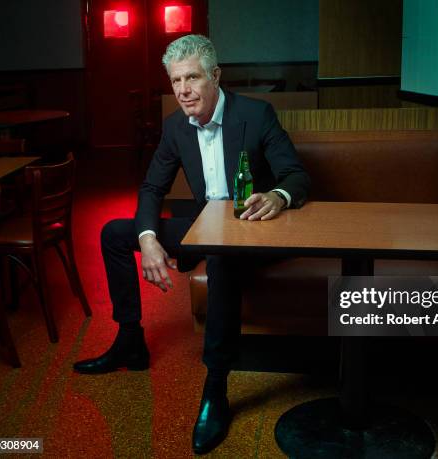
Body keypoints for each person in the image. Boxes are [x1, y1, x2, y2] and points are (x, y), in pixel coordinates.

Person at [73, 34, 310, 454]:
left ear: (215, 76)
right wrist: (147, 238)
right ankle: (130, 340)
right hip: (205, 227)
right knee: (115, 233)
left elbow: (297, 176)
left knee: (220, 257)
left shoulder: (256, 116)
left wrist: (276, 196)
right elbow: (151, 187)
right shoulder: (175, 126)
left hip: (250, 231)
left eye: (193, 78)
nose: (182, 90)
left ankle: (215, 385)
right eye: (175, 80)